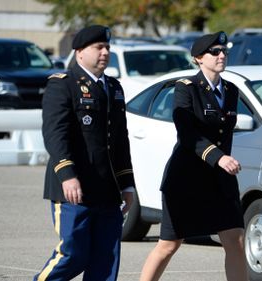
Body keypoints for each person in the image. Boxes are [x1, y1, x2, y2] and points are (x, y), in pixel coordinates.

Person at [139, 31, 248, 281]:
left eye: (224, 51)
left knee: (235, 240)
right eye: (215, 52)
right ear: (199, 58)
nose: (222, 55)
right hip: (186, 179)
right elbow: (187, 133)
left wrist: (221, 162)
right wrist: (218, 157)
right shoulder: (185, 88)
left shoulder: (231, 90)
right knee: (169, 243)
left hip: (220, 181)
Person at [34, 25, 135, 281]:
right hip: (74, 189)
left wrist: (128, 185)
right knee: (74, 254)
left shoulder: (113, 88)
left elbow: (119, 141)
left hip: (107, 190)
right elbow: (55, 135)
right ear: (79, 52)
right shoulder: (62, 85)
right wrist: (68, 174)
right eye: (98, 47)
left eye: (108, 48)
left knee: (106, 260)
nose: (105, 53)